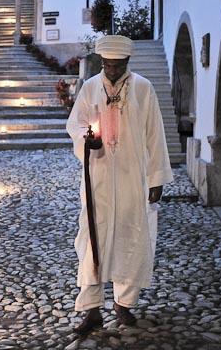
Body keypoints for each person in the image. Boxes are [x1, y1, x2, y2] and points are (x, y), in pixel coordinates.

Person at [66, 35, 173, 335]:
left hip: (131, 177)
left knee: (132, 236)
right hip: (98, 176)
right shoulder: (90, 88)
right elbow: (75, 125)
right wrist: (87, 139)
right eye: (107, 65)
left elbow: (155, 134)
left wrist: (157, 177)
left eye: (118, 66)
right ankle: (91, 309)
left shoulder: (143, 88)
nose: (111, 71)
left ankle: (123, 304)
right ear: (102, 62)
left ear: (127, 62)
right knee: (92, 242)